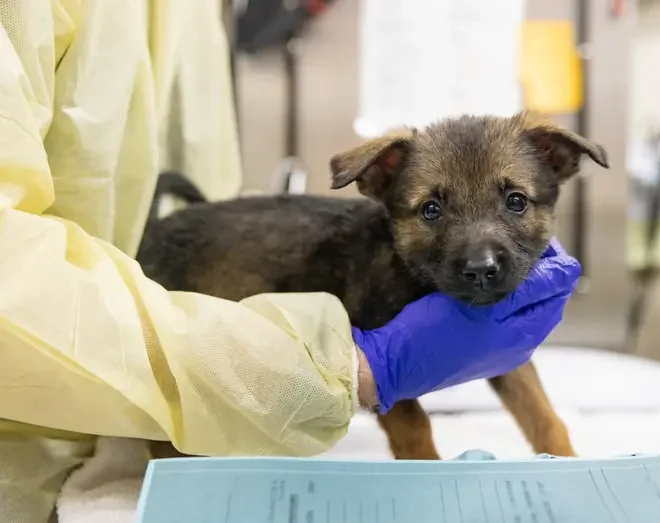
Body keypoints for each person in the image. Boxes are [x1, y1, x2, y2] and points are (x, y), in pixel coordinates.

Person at [0, 2, 580, 522]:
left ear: (558, 167)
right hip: (34, 446)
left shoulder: (191, 16)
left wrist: (560, 451)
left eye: (514, 202)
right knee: (175, 449)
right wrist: (418, 461)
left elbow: (512, 360)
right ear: (379, 183)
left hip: (168, 307)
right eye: (432, 210)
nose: (480, 252)